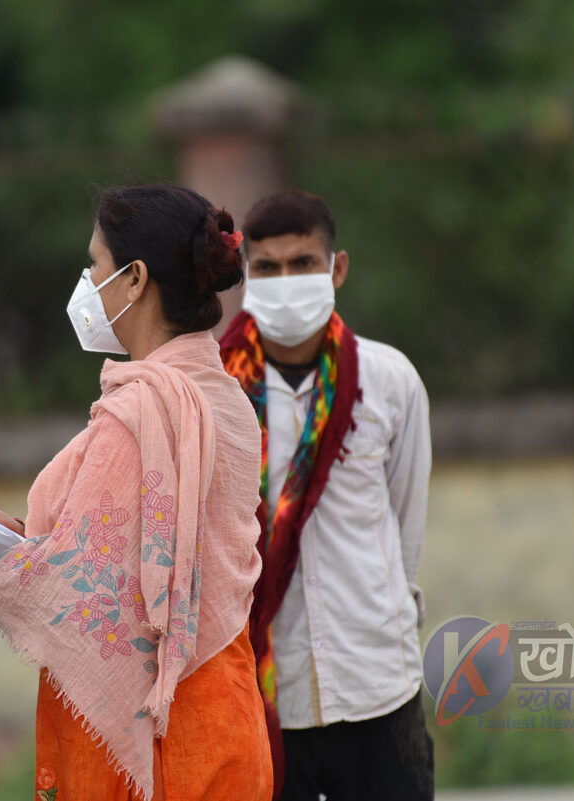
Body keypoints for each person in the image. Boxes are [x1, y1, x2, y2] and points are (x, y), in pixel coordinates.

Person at [0, 184, 273, 801]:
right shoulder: (227, 401)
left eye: (96, 265)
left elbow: (81, 593)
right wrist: (0, 533)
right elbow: (112, 560)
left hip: (152, 739)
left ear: (134, 280)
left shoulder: (140, 412)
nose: (87, 280)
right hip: (225, 713)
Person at [219, 189, 434, 801]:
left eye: (303, 264)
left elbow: (405, 522)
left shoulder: (389, 381)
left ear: (337, 268)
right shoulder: (214, 395)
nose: (286, 280)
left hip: (378, 685)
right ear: (245, 276)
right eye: (267, 267)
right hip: (263, 699)